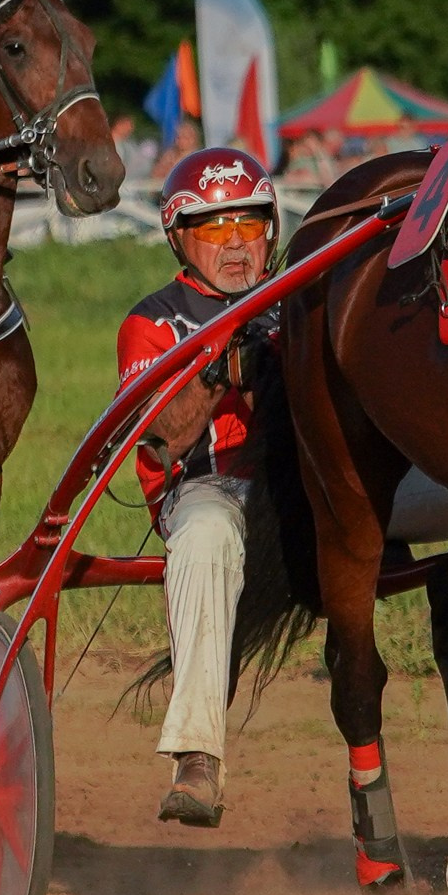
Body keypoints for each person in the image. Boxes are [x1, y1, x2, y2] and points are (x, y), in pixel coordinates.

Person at [114, 145, 281, 827]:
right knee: (208, 531)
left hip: (300, 495)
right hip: (208, 491)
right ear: (180, 238)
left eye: (249, 224)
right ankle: (197, 757)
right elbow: (166, 434)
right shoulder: (150, 323)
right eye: (216, 229)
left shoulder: (300, 295)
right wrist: (225, 367)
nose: (237, 243)